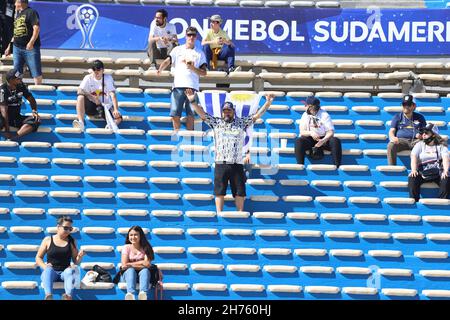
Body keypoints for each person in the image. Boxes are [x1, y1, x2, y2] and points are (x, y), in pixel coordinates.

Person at [186, 88, 274, 213]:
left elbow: (257, 116)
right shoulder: (216, 122)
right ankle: (219, 214)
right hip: (221, 162)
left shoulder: (241, 122)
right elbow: (203, 115)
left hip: (237, 163)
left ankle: (240, 213)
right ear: (222, 112)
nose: (226, 113)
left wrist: (267, 103)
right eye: (225, 111)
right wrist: (193, 101)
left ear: (233, 111)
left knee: (239, 191)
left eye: (229, 111)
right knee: (219, 191)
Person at [157, 26, 207, 132]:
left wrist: (192, 68)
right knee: (175, 113)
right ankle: (176, 137)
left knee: (191, 114)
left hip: (193, 86)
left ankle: (189, 140)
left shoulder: (200, 53)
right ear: (185, 36)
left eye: (193, 35)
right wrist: (160, 69)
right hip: (178, 85)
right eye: (189, 35)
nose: (191, 37)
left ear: (196, 37)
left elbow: (204, 73)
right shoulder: (177, 49)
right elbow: (168, 61)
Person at [35, 216, 85, 300]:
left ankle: (68, 296)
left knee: (70, 271)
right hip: (52, 272)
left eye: (70, 229)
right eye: (66, 228)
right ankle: (49, 296)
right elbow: (38, 257)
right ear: (58, 227)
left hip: (65, 273)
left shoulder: (72, 241)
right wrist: (44, 266)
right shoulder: (48, 240)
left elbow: (76, 262)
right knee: (47, 270)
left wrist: (80, 257)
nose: (68, 231)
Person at [73, 59, 122, 131]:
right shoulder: (88, 78)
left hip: (104, 107)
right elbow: (79, 90)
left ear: (103, 70)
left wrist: (116, 109)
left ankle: (110, 126)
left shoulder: (107, 78)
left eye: (98, 69)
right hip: (91, 106)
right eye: (94, 69)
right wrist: (93, 98)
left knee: (118, 118)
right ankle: (81, 122)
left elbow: (113, 94)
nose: (96, 72)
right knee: (80, 97)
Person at [295, 96, 342, 167]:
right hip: (310, 139)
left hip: (323, 139)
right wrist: (311, 133)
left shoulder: (324, 115)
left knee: (335, 141)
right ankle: (299, 165)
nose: (305, 106)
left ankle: (337, 165)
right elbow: (302, 132)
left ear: (310, 107)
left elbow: (330, 132)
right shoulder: (305, 115)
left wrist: (323, 140)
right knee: (299, 141)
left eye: (306, 105)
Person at [4, 0, 42, 85]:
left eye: (16, 2)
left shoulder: (31, 12)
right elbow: (16, 32)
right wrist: (9, 46)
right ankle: (19, 92)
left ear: (20, 2)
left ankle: (38, 92)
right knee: (17, 72)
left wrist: (31, 42)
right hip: (17, 47)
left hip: (30, 48)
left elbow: (36, 28)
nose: (14, 5)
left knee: (35, 71)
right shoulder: (18, 15)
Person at [408, 123, 449, 202]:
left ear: (433, 135)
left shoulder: (441, 146)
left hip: (437, 173)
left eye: (426, 133)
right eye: (422, 133)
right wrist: (413, 170)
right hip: (422, 173)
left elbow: (445, 158)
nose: (423, 135)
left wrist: (445, 170)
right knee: (412, 177)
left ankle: (442, 202)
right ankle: (414, 202)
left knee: (446, 177)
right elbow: (413, 157)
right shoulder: (419, 144)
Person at [0, 68, 40, 140]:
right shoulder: (2, 90)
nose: (20, 79)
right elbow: (4, 112)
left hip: (15, 117)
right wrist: (7, 130)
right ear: (11, 80)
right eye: (18, 78)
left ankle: (14, 138)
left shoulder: (21, 86)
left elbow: (31, 99)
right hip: (3, 117)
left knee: (36, 120)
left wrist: (34, 111)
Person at [387, 94, 427, 165]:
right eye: (404, 104)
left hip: (416, 141)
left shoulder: (420, 117)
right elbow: (391, 131)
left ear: (413, 106)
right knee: (391, 145)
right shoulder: (397, 117)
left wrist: (421, 135)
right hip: (402, 141)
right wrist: (393, 137)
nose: (406, 106)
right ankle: (392, 168)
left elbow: (426, 131)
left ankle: (423, 169)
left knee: (425, 144)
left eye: (408, 104)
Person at [121, 226, 155, 300]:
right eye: (131, 235)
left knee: (145, 271)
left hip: (143, 275)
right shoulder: (126, 247)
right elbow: (124, 265)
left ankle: (143, 294)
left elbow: (147, 265)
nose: (133, 237)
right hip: (128, 275)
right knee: (131, 271)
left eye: (136, 234)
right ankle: (130, 295)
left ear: (141, 236)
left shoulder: (146, 247)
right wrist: (141, 262)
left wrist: (130, 264)